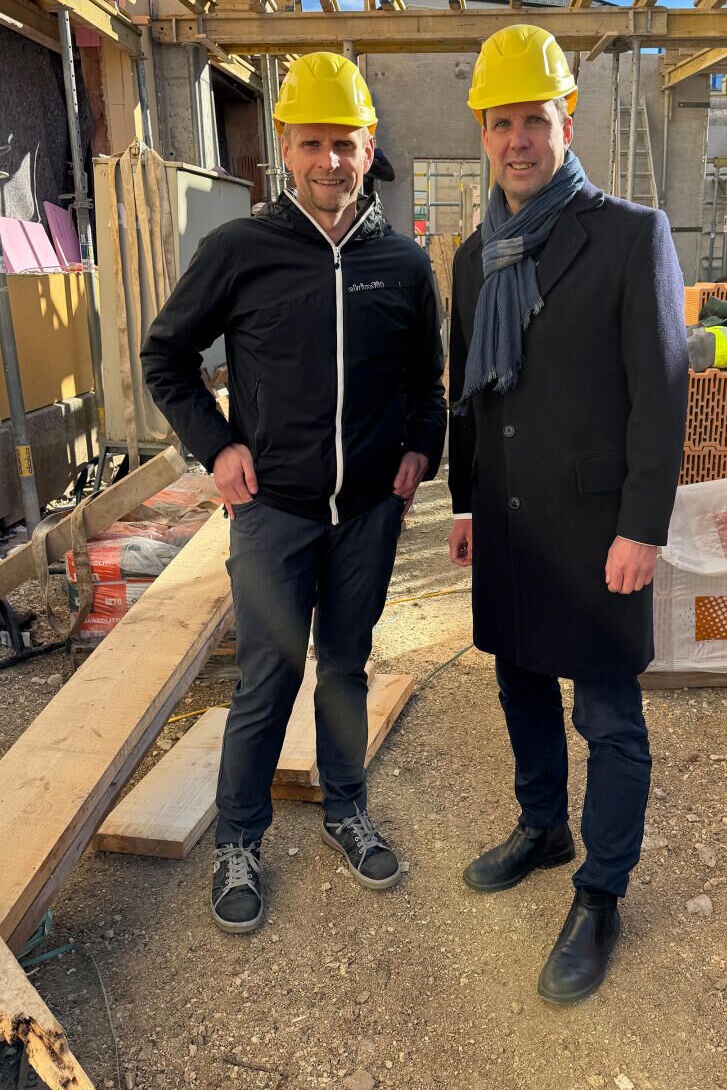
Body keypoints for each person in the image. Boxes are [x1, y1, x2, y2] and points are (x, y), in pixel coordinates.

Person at [142, 52, 446, 933]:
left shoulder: (403, 263)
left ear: (368, 147)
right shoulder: (241, 252)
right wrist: (216, 445)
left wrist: (421, 451)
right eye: (311, 143)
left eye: (344, 143)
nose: (329, 161)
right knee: (267, 680)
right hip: (273, 514)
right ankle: (239, 839)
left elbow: (426, 383)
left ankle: (346, 808)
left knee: (345, 668)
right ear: (284, 146)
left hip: (367, 517)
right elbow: (167, 356)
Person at [447, 24, 688, 1004]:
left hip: (595, 530)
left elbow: (661, 391)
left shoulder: (630, 235)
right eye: (501, 123)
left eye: (534, 121)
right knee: (519, 683)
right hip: (509, 521)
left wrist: (643, 526)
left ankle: (601, 893)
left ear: (566, 124)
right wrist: (465, 501)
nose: (518, 141)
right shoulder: (475, 256)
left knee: (609, 718)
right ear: (484, 133)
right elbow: (470, 392)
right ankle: (544, 826)